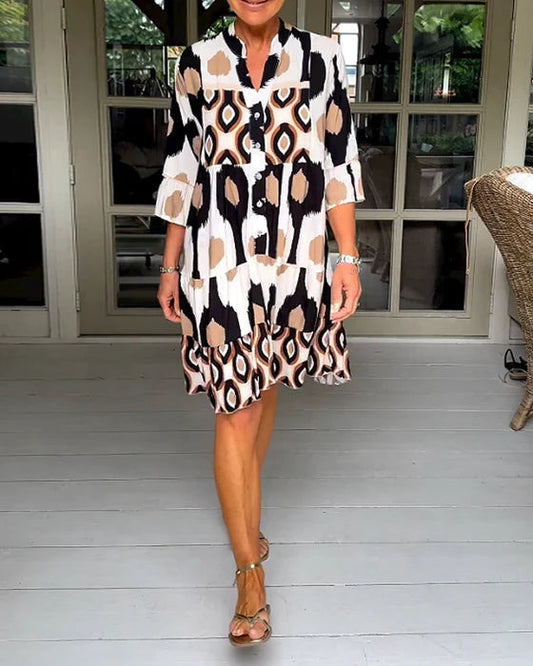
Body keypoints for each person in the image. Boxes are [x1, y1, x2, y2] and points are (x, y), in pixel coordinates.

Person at [155, 0, 364, 648]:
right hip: (217, 261)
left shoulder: (322, 59)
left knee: (265, 386)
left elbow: (338, 164)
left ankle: (249, 519)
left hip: (294, 259)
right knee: (234, 408)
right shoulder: (197, 63)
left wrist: (348, 259)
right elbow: (181, 169)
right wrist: (168, 265)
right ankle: (250, 575)